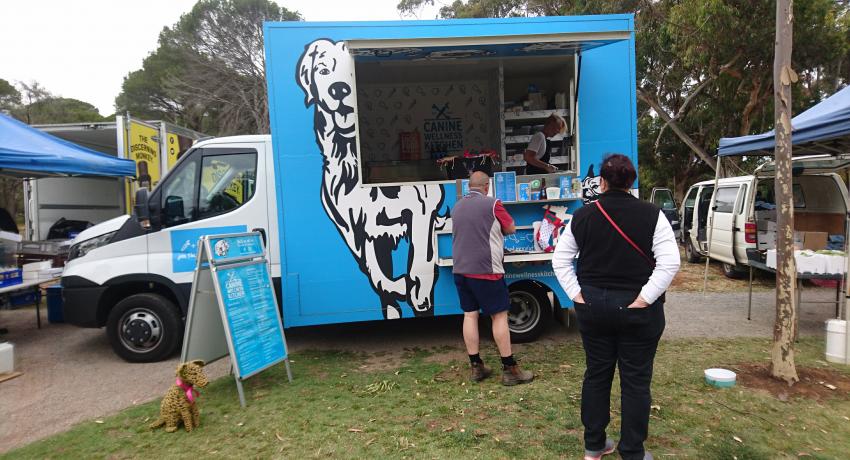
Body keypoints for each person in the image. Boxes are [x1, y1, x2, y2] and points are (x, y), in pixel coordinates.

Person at [552, 154, 679, 460]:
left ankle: (594, 445)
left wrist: (576, 294)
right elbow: (670, 262)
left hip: (593, 307)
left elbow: (560, 259)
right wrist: (645, 298)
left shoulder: (583, 216)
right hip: (638, 310)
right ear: (632, 182)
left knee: (597, 374)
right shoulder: (653, 215)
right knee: (635, 381)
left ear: (602, 182)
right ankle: (632, 451)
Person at [452, 171, 534, 386]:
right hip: (486, 270)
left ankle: (476, 366)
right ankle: (510, 369)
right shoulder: (492, 203)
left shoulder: (457, 206)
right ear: (487, 186)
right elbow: (511, 228)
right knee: (499, 316)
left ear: (469, 186)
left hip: (460, 269)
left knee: (470, 315)